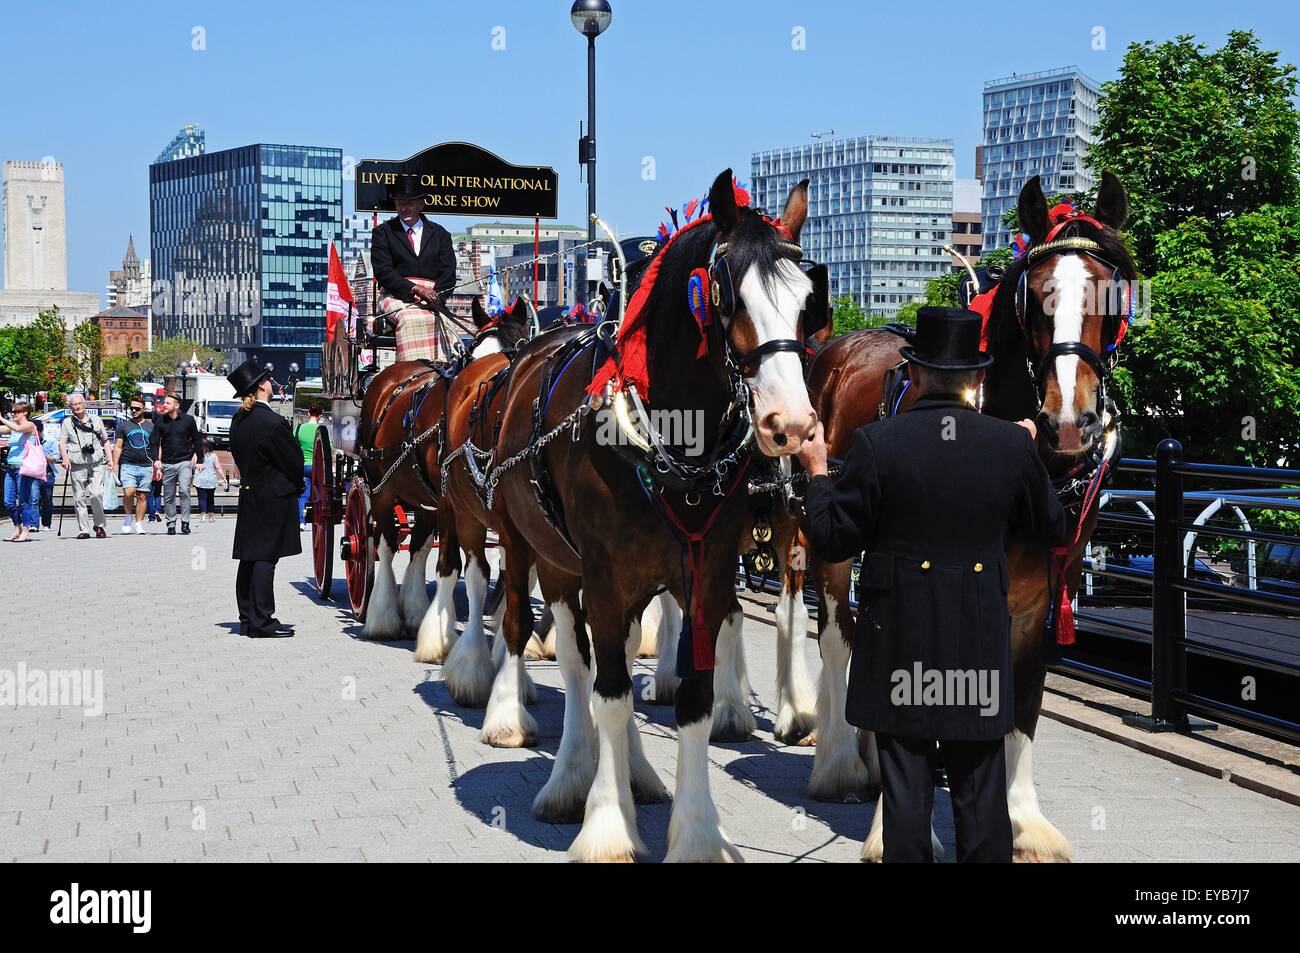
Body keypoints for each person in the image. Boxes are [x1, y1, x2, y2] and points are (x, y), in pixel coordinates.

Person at [798, 307, 1069, 863]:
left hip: (900, 651)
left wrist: (818, 473)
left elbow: (830, 539)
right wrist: (1027, 460)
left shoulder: (877, 444)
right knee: (980, 800)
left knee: (907, 806)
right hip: (977, 651)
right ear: (977, 380)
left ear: (914, 375)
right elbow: (1053, 530)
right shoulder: (1010, 447)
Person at [226, 360, 302, 638]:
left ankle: (247, 617)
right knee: (265, 559)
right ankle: (262, 621)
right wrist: (296, 484)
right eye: (267, 378)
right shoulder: (272, 422)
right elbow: (292, 461)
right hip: (273, 497)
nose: (271, 382)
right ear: (261, 385)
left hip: (250, 492)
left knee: (249, 557)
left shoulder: (239, 419)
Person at [369, 182, 458, 311]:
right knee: (410, 320)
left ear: (421, 205)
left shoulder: (441, 234)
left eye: (408, 203)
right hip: (395, 295)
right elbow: (383, 271)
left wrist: (436, 297)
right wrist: (415, 289)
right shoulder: (382, 232)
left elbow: (448, 273)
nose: (404, 208)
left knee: (446, 325)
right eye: (400, 203)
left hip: (433, 297)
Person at [149, 391, 202, 535]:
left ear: (176, 405)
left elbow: (197, 440)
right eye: (164, 402)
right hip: (167, 464)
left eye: (167, 403)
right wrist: (156, 460)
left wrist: (200, 461)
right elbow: (154, 442)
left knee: (184, 490)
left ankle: (185, 522)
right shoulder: (160, 421)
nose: (164, 405)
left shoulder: (188, 420)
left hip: (184, 462)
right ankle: (171, 524)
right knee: (168, 495)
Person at [59, 394, 111, 540]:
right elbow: (62, 442)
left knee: (96, 494)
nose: (77, 406)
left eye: (80, 403)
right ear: (70, 407)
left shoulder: (96, 420)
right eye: (74, 404)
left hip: (96, 462)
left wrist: (111, 459)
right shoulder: (67, 423)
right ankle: (84, 529)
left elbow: (105, 440)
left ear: (85, 404)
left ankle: (99, 525)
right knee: (79, 498)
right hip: (77, 463)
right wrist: (65, 458)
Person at [1, 402, 41, 542]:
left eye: (16, 411)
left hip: (23, 468)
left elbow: (18, 428)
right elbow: (6, 428)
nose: (13, 414)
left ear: (25, 412)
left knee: (24, 502)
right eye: (12, 412)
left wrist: (1, 418)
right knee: (8, 502)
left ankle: (26, 530)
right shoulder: (12, 428)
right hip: (11, 468)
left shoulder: (30, 425)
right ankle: (17, 527)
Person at [113, 396, 154, 535]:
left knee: (142, 496)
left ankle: (138, 523)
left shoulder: (151, 426)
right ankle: (128, 516)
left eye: (137, 408)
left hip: (146, 465)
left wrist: (157, 463)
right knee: (129, 492)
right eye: (132, 408)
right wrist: (114, 464)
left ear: (144, 409)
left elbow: (156, 446)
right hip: (128, 464)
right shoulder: (124, 426)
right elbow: (118, 446)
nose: (134, 410)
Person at [294, 405, 322, 530]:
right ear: (320, 416)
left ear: (308, 413)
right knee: (321, 493)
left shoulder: (299, 428)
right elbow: (329, 450)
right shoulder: (321, 429)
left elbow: (292, 445)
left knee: (303, 496)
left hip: (303, 466)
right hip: (317, 467)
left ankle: (302, 522)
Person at [192, 438, 229, 523]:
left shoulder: (196, 455)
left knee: (202, 498)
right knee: (211, 498)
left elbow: (192, 466)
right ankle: (211, 515)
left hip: (200, 479)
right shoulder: (214, 455)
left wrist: (190, 479)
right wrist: (223, 477)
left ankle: (203, 515)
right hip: (211, 479)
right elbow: (218, 467)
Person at [35, 419, 60, 532]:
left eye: (37, 434)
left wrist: (43, 456)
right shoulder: (30, 441)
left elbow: (57, 457)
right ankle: (33, 524)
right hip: (34, 474)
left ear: (41, 432)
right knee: (34, 499)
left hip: (47, 474)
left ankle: (46, 523)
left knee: (47, 499)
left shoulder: (50, 441)